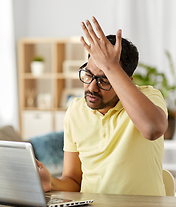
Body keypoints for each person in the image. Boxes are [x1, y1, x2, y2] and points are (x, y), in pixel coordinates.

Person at [36, 16, 168, 196]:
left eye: (104, 79)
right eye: (88, 75)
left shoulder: (148, 97)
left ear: (125, 80)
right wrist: (50, 182)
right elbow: (74, 181)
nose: (91, 87)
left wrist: (111, 67)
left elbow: (152, 129)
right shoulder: (75, 110)